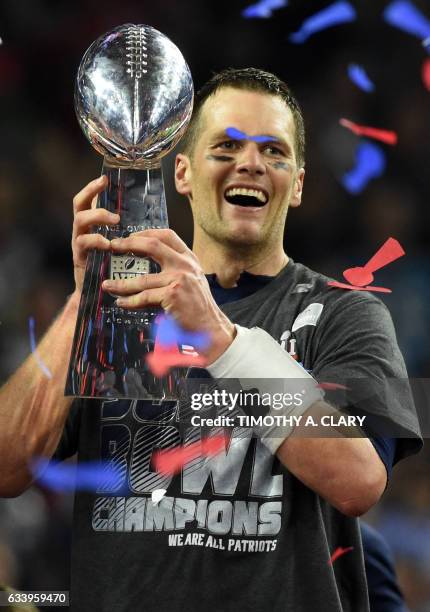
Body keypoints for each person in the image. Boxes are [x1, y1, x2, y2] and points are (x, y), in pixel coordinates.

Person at [0, 68, 422, 611]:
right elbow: (9, 469)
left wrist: (220, 338)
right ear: (182, 172)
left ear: (296, 184)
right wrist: (86, 300)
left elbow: (360, 482)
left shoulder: (349, 315)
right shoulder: (119, 317)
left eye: (274, 152)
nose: (250, 163)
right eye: (226, 146)